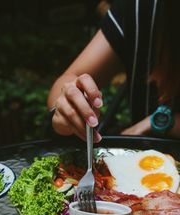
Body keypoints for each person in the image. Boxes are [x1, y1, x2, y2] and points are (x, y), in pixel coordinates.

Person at [47, 0, 180, 143]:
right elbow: (69, 78)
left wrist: (159, 123)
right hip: (139, 162)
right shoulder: (138, 6)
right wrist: (68, 105)